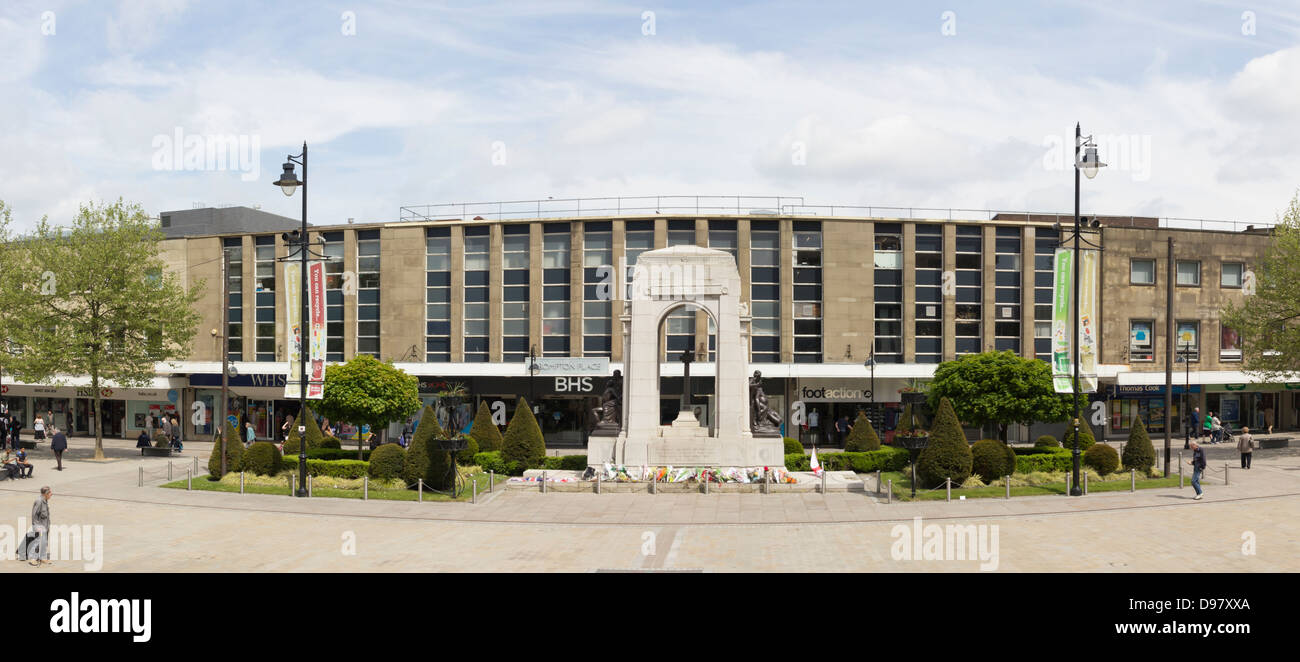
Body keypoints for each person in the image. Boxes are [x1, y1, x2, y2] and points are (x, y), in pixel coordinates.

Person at [26, 487, 52, 566]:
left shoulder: (45, 501)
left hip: (45, 525)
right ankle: (33, 559)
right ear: (45, 494)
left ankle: (43, 558)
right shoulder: (39, 501)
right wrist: (37, 527)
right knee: (37, 542)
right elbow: (34, 515)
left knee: (44, 542)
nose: (51, 494)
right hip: (40, 526)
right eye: (50, 493)